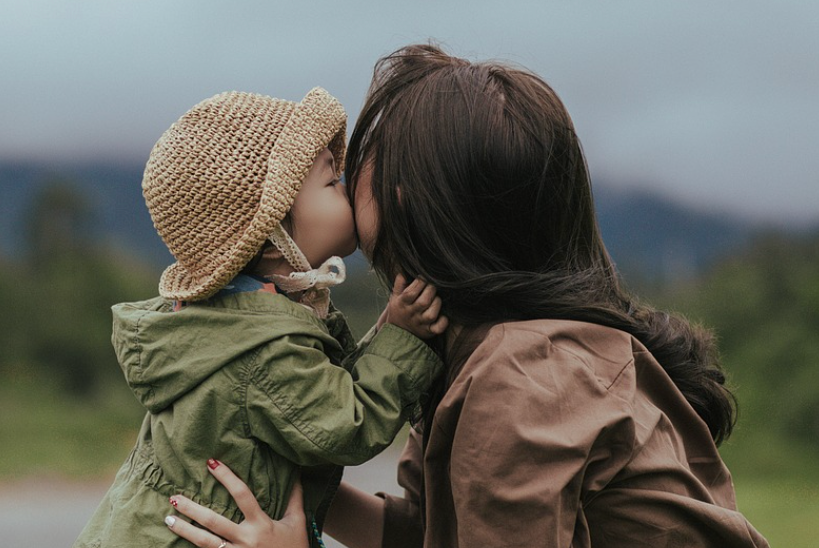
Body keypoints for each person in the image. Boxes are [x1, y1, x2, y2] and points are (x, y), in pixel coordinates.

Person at [163, 45, 770, 547]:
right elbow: (435, 533)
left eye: (359, 169)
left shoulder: (523, 376)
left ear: (408, 198)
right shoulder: (490, 348)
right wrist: (301, 481)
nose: (344, 187)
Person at [73, 87, 447, 548]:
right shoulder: (261, 349)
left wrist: (389, 328)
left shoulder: (236, 321)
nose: (347, 189)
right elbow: (346, 424)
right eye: (332, 183)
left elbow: (319, 391)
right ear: (272, 239)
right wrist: (406, 339)